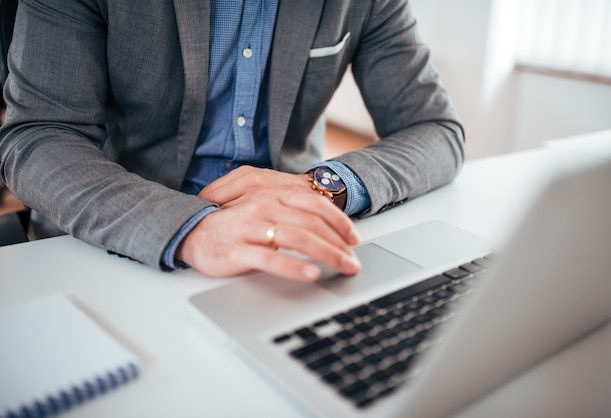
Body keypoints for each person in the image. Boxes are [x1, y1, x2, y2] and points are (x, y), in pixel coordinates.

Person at [0, 0, 464, 282]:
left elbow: (438, 130)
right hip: (116, 242)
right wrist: (191, 228)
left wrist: (322, 185)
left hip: (286, 248)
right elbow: (39, 136)